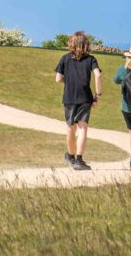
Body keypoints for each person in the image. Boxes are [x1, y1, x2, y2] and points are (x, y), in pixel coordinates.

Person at [54, 31, 102, 170]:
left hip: (69, 97)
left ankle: (70, 156)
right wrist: (97, 95)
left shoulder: (64, 58)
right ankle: (79, 160)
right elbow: (98, 75)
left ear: (71, 44)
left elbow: (57, 79)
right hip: (85, 97)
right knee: (82, 128)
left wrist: (67, 81)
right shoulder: (91, 59)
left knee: (70, 128)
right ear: (86, 44)